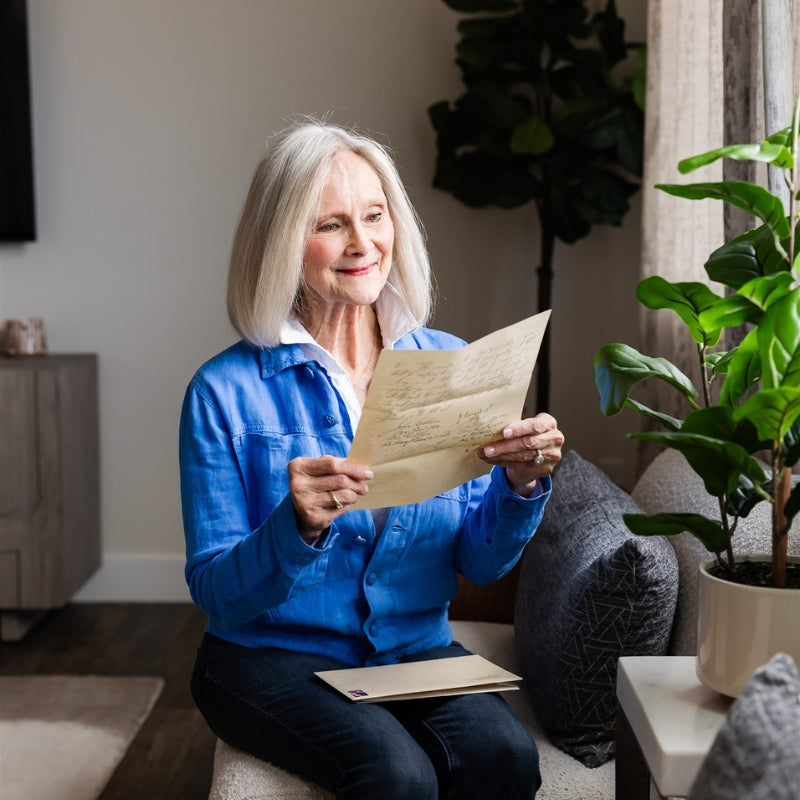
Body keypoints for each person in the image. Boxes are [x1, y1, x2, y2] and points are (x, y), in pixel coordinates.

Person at [179, 119, 564, 800]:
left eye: (374, 215)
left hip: (412, 650)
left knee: (506, 758)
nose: (362, 244)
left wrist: (520, 484)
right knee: (395, 774)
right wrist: (294, 528)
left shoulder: (447, 364)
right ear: (281, 242)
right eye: (331, 224)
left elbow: (480, 563)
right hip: (266, 656)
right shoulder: (222, 392)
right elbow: (216, 591)